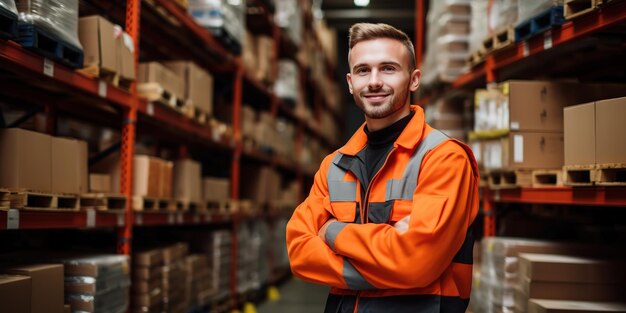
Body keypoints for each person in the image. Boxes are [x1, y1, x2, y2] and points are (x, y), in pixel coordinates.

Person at [285, 23, 479, 313]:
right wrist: (391, 255)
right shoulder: (333, 166)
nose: (374, 81)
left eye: (388, 68)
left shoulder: (444, 158)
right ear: (350, 82)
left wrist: (332, 232)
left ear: (413, 80)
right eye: (363, 70)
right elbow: (299, 253)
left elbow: (417, 263)